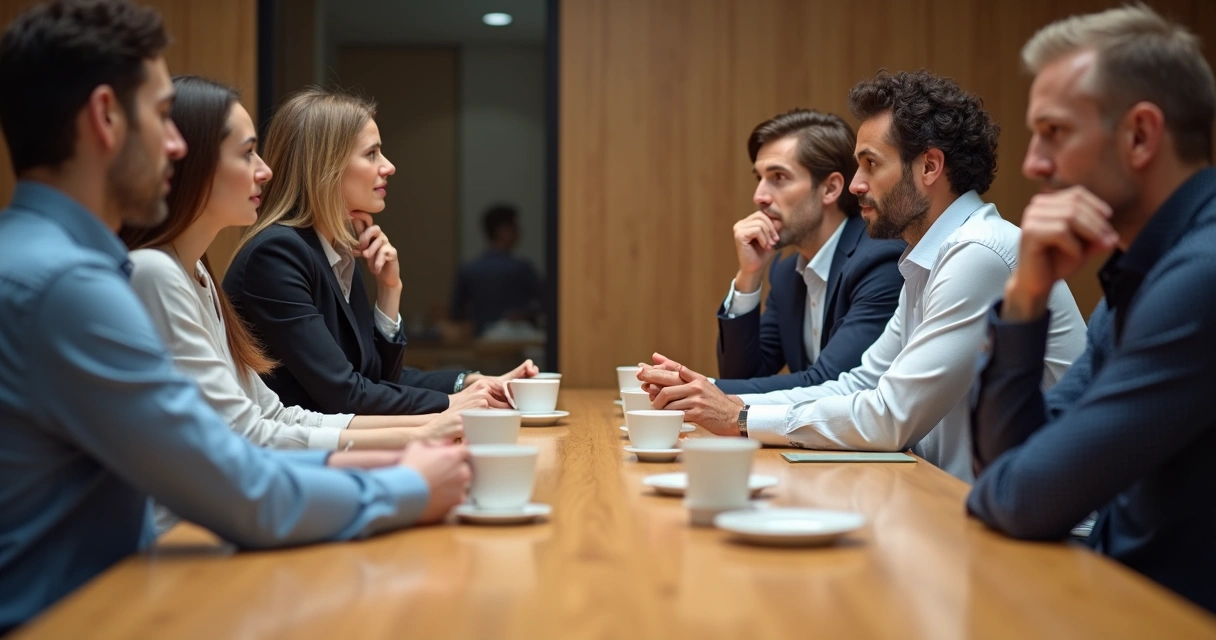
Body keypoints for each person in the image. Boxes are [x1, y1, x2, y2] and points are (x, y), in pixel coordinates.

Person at [0, 2, 469, 632]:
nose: (175, 146)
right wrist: (408, 483)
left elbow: (246, 439)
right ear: (106, 117)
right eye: (165, 117)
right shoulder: (73, 286)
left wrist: (404, 450)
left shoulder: (52, 260)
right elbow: (238, 485)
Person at [639, 70, 1088, 482]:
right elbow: (859, 383)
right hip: (960, 503)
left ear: (930, 167)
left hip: (1048, 533)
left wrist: (737, 418)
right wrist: (724, 404)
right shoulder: (926, 258)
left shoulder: (978, 253)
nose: (856, 184)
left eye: (871, 164)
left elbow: (890, 416)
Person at [966, 5, 1216, 613]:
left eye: (1054, 132)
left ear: (1140, 135)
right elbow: (1010, 465)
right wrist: (1025, 296)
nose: (1032, 164)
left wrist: (1007, 486)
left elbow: (1025, 497)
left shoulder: (1201, 275)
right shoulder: (1145, 268)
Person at [121, 75, 465, 453]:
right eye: (247, 152)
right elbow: (262, 428)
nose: (265, 170)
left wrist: (434, 419)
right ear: (191, 161)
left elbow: (277, 414)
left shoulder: (200, 274)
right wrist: (442, 414)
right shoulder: (267, 255)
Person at [223, 89, 537, 417]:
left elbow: (375, 379)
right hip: (291, 458)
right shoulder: (277, 255)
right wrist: (454, 404)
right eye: (372, 153)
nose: (388, 167)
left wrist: (471, 382)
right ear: (326, 167)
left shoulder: (337, 252)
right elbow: (345, 393)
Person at [714, 109, 904, 394]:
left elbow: (833, 384)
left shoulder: (880, 260)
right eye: (760, 178)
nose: (759, 196)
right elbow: (743, 376)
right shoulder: (787, 272)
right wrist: (749, 275)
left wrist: (706, 389)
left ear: (830, 188)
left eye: (778, 177)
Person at [450, 204, 542, 336]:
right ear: (503, 230)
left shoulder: (468, 269)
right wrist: (524, 315)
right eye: (515, 227)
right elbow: (546, 304)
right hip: (519, 341)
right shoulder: (521, 268)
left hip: (482, 342)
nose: (520, 232)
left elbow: (456, 313)